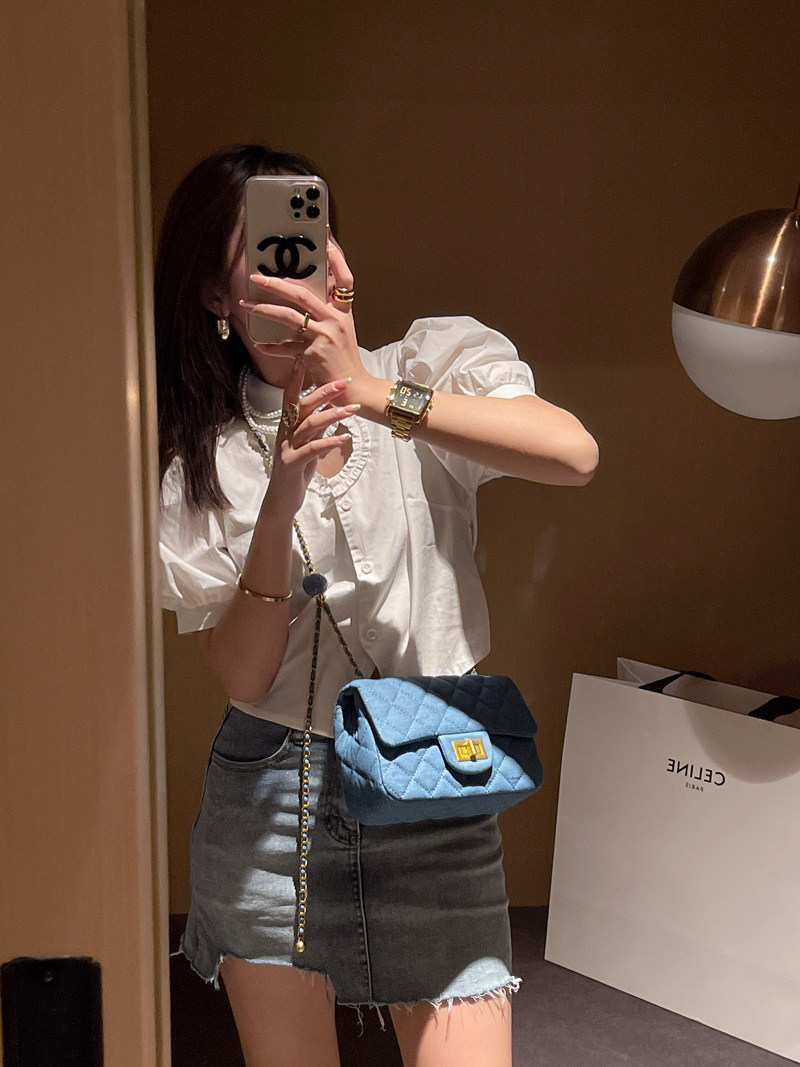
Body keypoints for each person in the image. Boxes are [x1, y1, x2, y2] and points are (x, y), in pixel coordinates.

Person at [156, 143, 598, 1067]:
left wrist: (369, 392)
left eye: (309, 241)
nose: (297, 273)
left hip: (433, 776)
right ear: (214, 295)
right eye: (264, 253)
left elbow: (571, 453)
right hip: (272, 801)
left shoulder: (427, 365)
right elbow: (241, 675)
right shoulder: (202, 454)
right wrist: (279, 497)